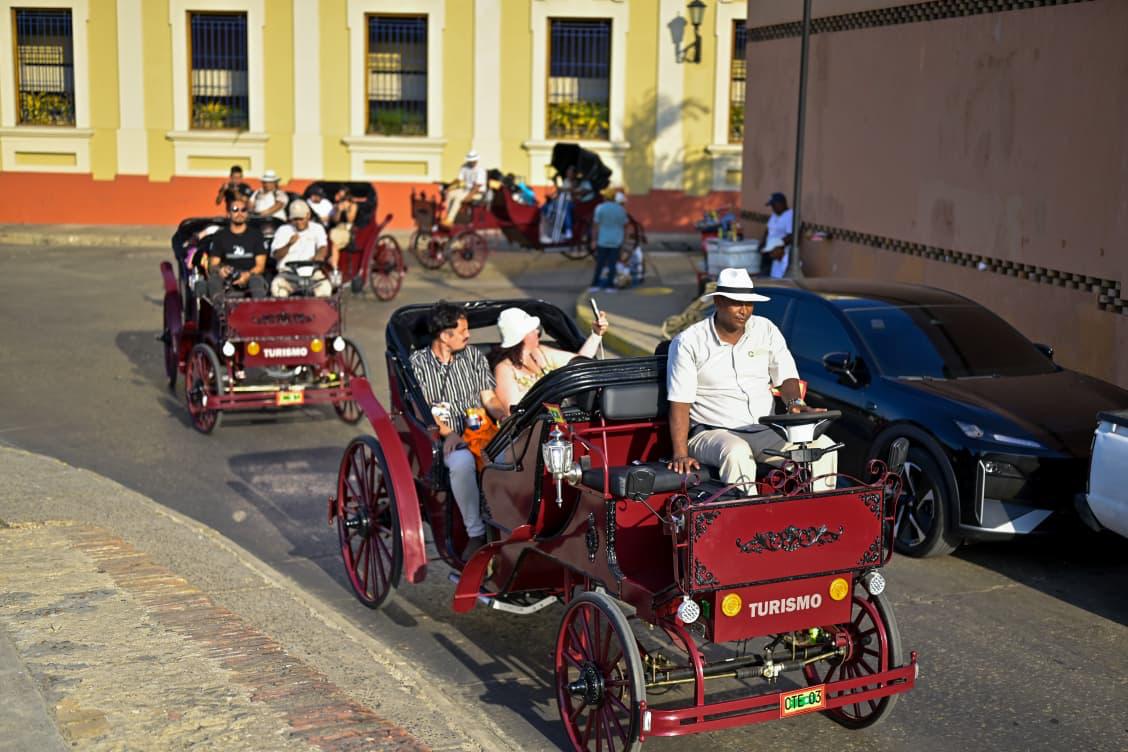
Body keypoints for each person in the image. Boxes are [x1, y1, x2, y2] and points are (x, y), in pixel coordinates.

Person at [665, 267, 837, 493]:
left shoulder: (765, 329)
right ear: (718, 302)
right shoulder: (688, 342)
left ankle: (822, 517)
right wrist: (680, 454)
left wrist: (795, 405)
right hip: (712, 433)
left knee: (825, 447)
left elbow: (785, 376)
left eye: (749, 303)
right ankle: (749, 523)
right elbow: (679, 402)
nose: (744, 310)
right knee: (737, 452)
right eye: (736, 302)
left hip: (766, 429)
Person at [410, 302, 506, 558]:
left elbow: (489, 399)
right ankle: (475, 533)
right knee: (462, 462)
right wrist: (449, 434)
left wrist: (505, 417)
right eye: (463, 330)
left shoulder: (473, 356)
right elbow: (423, 410)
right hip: (444, 438)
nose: (468, 334)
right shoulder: (418, 363)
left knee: (514, 455)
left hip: (481, 432)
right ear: (444, 335)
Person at [491, 307, 609, 415]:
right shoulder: (504, 369)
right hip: (532, 430)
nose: (538, 332)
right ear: (522, 336)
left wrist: (596, 335)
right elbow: (512, 412)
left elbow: (576, 364)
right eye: (533, 330)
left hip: (559, 421)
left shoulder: (542, 352)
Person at [203, 198, 267, 299]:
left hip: (250, 275)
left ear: (247, 213)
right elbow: (213, 265)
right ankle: (221, 311)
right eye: (235, 209)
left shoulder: (256, 235)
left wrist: (247, 275)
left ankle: (258, 312)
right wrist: (220, 270)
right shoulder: (220, 236)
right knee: (214, 280)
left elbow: (260, 266)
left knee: (257, 280)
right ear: (229, 214)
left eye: (243, 210)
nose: (239, 213)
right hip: (228, 276)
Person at [270, 200, 332, 297]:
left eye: (301, 218)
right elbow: (276, 255)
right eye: (295, 219)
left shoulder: (317, 228)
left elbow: (322, 247)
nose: (298, 222)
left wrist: (318, 257)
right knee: (277, 288)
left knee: (325, 288)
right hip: (288, 273)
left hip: (312, 273)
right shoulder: (283, 230)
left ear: (308, 215)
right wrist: (288, 244)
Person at [588, 191, 629, 292]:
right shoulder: (621, 210)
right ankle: (610, 285)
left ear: (605, 198)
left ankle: (595, 284)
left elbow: (595, 226)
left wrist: (593, 240)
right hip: (616, 241)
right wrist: (624, 242)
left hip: (603, 240)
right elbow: (625, 226)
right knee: (612, 264)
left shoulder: (600, 208)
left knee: (600, 263)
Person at [443, 150, 487, 226]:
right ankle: (445, 215)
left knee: (458, 198)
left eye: (473, 160)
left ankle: (450, 220)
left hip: (477, 193)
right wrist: (449, 187)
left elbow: (477, 186)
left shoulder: (480, 170)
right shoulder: (464, 167)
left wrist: (469, 196)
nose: (472, 162)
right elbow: (459, 179)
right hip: (466, 189)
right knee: (450, 194)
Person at [759, 192, 793, 278]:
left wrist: (777, 246)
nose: (772, 208)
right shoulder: (774, 214)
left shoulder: (790, 215)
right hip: (769, 249)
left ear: (781, 203)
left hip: (778, 251)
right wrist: (763, 243)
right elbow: (767, 230)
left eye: (774, 205)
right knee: (765, 275)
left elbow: (792, 236)